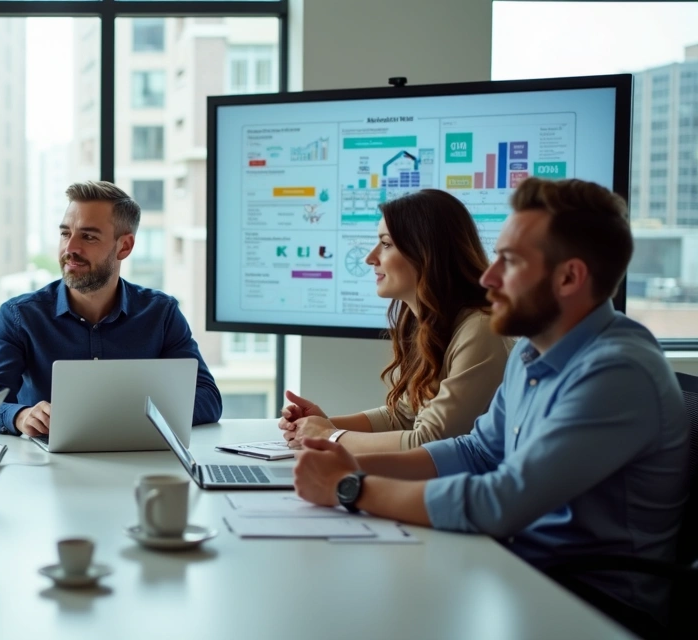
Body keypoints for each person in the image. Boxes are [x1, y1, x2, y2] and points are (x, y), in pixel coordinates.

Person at [292, 177, 689, 628]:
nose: (487, 277)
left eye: (510, 261)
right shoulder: (531, 350)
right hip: (522, 566)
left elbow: (501, 502)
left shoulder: (617, 373)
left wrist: (350, 488)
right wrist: (354, 463)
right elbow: (476, 451)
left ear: (569, 277)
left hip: (591, 602)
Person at [0, 180, 222, 436]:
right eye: (65, 233)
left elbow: (208, 398)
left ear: (125, 246)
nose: (70, 248)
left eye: (88, 236)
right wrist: (20, 416)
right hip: (45, 469)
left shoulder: (161, 314)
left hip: (138, 464)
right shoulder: (19, 316)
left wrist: (129, 417)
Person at [279, 190, 514, 454]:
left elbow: (429, 440)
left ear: (426, 252)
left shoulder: (480, 330)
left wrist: (331, 436)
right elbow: (402, 418)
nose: (370, 257)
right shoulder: (428, 324)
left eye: (386, 244)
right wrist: (321, 425)